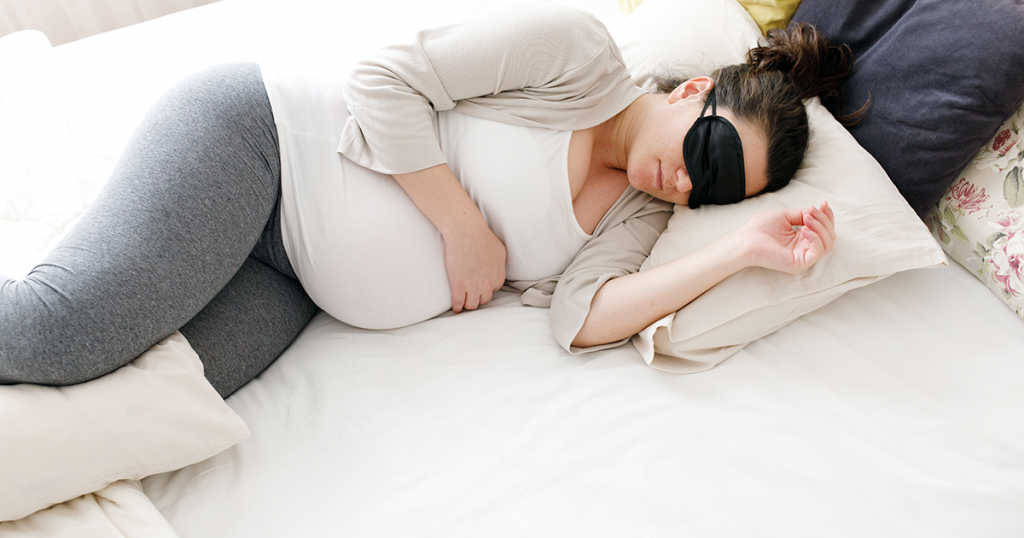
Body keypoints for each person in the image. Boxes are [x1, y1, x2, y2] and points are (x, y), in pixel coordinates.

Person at [0, 6, 851, 397]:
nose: (686, 182)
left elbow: (583, 318)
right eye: (705, 151)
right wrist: (463, 227)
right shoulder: (577, 55)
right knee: (56, 333)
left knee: (142, 402)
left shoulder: (642, 213)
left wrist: (740, 249)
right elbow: (383, 79)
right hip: (267, 145)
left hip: (291, 279)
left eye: (712, 192)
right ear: (693, 91)